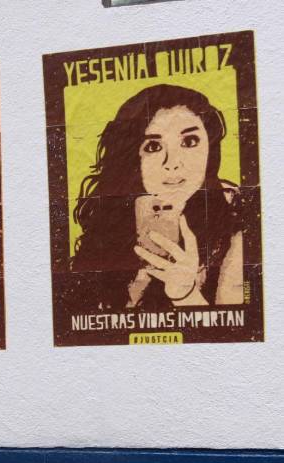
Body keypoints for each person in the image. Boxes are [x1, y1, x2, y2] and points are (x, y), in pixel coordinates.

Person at [69, 84, 249, 309]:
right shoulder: (109, 219)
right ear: (133, 156)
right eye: (153, 146)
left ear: (210, 149)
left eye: (189, 142)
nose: (172, 163)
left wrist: (186, 295)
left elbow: (233, 336)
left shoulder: (236, 225)